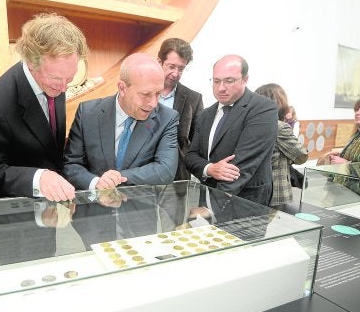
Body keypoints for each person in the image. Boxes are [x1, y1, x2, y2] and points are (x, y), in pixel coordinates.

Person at [0, 13, 88, 202]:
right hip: (15, 212)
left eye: (69, 79)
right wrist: (39, 178)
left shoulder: (56, 78)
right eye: (55, 79)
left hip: (49, 204)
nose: (63, 88)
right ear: (31, 62)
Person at [63, 53, 179, 190]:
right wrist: (96, 183)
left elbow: (165, 171)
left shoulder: (167, 118)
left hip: (140, 207)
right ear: (122, 88)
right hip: (94, 207)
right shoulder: (88, 113)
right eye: (146, 94)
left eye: (158, 93)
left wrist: (115, 178)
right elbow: (71, 165)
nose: (153, 103)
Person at [185, 55, 277, 206]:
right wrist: (210, 168)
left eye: (229, 81)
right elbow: (191, 156)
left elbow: (241, 166)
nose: (221, 87)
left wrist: (212, 206)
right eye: (216, 81)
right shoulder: (205, 115)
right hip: (208, 196)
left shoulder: (262, 109)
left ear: (245, 80)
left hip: (246, 202)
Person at [255, 83, 308, 211]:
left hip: (254, 188)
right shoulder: (279, 127)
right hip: (275, 190)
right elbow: (301, 156)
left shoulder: (253, 124)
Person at [157, 38, 203, 181]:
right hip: (140, 175)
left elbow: (198, 141)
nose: (176, 73)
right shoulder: (141, 92)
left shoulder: (193, 99)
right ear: (159, 62)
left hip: (177, 176)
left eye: (181, 68)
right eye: (171, 67)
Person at [326, 99, 360, 164]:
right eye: (356, 110)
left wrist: (346, 162)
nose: (357, 113)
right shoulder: (356, 135)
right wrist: (340, 155)